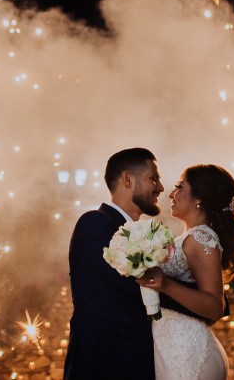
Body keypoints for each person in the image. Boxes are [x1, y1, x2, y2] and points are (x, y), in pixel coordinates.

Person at [135, 164, 234, 380]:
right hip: (174, 347)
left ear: (199, 198)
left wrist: (165, 284)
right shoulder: (189, 237)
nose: (171, 193)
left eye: (180, 186)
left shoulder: (201, 238)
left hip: (187, 355)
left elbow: (215, 307)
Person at [63, 147, 165, 380]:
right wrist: (203, 300)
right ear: (127, 179)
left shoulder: (145, 234)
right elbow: (141, 285)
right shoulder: (94, 224)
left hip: (138, 359)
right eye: (154, 178)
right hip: (102, 362)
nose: (160, 187)